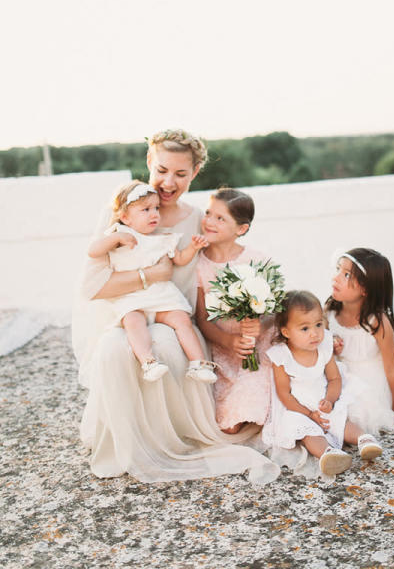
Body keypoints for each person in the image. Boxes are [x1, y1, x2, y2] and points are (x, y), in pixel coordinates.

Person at [71, 128, 279, 483]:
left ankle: (170, 439)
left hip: (173, 314)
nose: (169, 182)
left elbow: (215, 270)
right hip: (127, 311)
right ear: (149, 162)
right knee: (113, 348)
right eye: (162, 170)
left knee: (166, 343)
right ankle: (128, 442)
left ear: (195, 173)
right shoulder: (121, 210)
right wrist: (151, 274)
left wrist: (246, 313)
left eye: (181, 174)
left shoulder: (197, 218)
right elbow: (93, 286)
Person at [88, 180, 215, 383]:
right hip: (133, 297)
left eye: (156, 208)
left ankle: (198, 363)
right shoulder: (120, 233)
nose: (154, 214)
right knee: (132, 321)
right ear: (125, 218)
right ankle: (148, 362)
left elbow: (180, 259)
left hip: (161, 295)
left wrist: (193, 248)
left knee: (181, 320)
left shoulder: (163, 238)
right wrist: (116, 238)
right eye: (145, 209)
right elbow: (93, 251)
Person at [262, 290, 383, 477]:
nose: (315, 334)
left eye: (318, 324)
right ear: (286, 332)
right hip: (298, 407)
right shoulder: (281, 356)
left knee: (340, 419)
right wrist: (309, 414)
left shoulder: (324, 345)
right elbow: (284, 394)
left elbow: (335, 378)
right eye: (305, 329)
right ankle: (328, 454)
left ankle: (364, 439)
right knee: (307, 432)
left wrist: (330, 400)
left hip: (324, 399)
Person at [194, 188, 277, 434]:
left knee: (254, 405)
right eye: (209, 213)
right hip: (224, 350)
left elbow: (276, 310)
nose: (209, 221)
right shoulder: (199, 265)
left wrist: (262, 325)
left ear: (240, 229)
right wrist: (229, 341)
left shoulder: (257, 260)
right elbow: (202, 319)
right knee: (229, 426)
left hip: (259, 350)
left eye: (221, 218)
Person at [329, 248, 394, 434]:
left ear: (366, 289)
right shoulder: (330, 310)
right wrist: (330, 342)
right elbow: (317, 342)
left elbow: (392, 368)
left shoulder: (377, 322)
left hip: (369, 381)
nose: (336, 278)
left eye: (346, 275)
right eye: (338, 269)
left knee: (354, 413)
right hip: (338, 375)